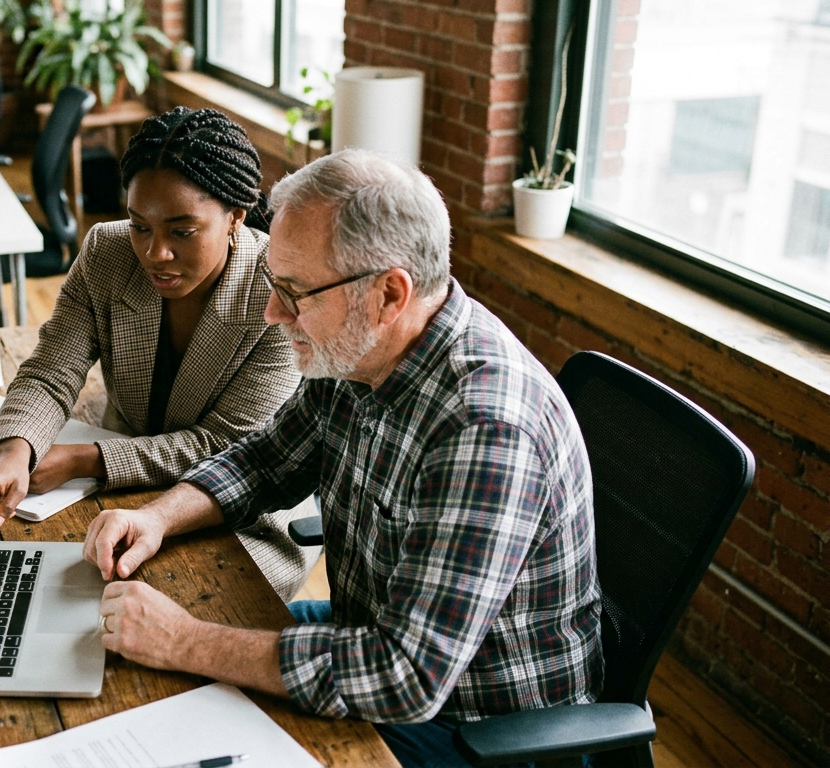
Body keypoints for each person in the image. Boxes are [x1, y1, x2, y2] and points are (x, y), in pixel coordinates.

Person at [82, 149, 603, 767]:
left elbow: (404, 677)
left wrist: (185, 641)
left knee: (176, 699)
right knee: (129, 667)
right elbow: (266, 461)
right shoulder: (358, 348)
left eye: (295, 292)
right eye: (274, 284)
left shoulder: (486, 428)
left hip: (476, 723)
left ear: (388, 294)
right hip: (368, 631)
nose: (274, 314)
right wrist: (157, 517)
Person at [0, 107, 321, 600]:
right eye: (140, 225)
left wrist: (84, 459)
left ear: (235, 216)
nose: (154, 253)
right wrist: (15, 451)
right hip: (116, 483)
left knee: (166, 607)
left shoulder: (277, 295)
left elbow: (228, 446)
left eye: (181, 231)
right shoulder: (107, 253)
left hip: (240, 511)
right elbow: (51, 371)